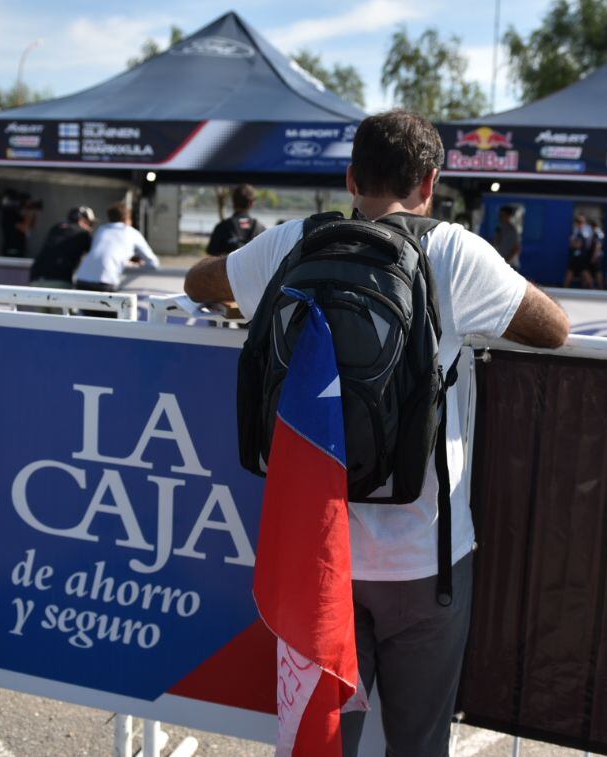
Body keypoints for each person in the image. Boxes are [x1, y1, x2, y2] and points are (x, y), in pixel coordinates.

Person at [184, 110, 569, 756]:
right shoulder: (452, 251)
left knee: (323, 742)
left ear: (351, 178)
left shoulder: (292, 243)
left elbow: (199, 282)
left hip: (318, 553)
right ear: (431, 182)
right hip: (427, 559)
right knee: (416, 745)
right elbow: (554, 328)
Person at [75, 202, 159, 294]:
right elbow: (153, 263)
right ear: (127, 219)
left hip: (81, 279)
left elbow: (102, 255)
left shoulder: (101, 230)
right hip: (104, 282)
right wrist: (135, 265)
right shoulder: (132, 233)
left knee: (85, 308)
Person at [30, 206, 95, 289]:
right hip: (59, 280)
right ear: (81, 220)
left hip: (35, 277)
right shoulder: (83, 234)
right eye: (90, 224)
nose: (91, 228)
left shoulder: (56, 228)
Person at [206, 184, 266, 256]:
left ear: (233, 202)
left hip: (228, 266)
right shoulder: (261, 229)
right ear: (252, 204)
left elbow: (212, 253)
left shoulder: (221, 227)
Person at [563, 214, 596, 289]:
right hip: (575, 256)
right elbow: (572, 243)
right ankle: (564, 288)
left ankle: (593, 290)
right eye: (578, 222)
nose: (580, 224)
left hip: (582, 257)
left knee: (585, 273)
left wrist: (579, 244)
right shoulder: (574, 230)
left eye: (582, 222)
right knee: (570, 273)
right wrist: (576, 244)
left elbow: (585, 244)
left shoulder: (587, 231)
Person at [491, 204, 521, 269]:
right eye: (500, 215)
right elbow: (496, 244)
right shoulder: (500, 229)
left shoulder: (513, 230)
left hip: (511, 265)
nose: (500, 217)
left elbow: (517, 249)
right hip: (501, 263)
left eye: (502, 215)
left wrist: (506, 262)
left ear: (509, 216)